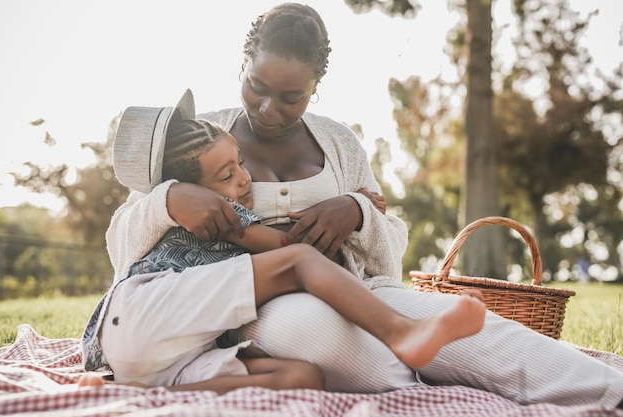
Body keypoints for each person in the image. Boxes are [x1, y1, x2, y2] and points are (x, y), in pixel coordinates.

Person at [103, 2, 623, 409]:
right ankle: (421, 384)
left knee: (484, 329)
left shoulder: (339, 144)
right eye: (256, 86)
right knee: (321, 332)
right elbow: (124, 245)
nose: (268, 109)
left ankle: (606, 389)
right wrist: (169, 200)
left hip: (359, 290)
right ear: (242, 63)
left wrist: (355, 211)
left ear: (315, 88)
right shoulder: (197, 139)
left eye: (292, 97)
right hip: (251, 307)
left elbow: (391, 243)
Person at [82, 94, 486, 393]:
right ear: (189, 188)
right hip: (144, 314)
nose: (243, 179)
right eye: (226, 175)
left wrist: (357, 205)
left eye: (239, 162)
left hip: (157, 360)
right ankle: (401, 333)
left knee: (303, 378)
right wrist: (356, 208)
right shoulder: (216, 213)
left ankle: (135, 396)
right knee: (298, 263)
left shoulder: (206, 203)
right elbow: (293, 249)